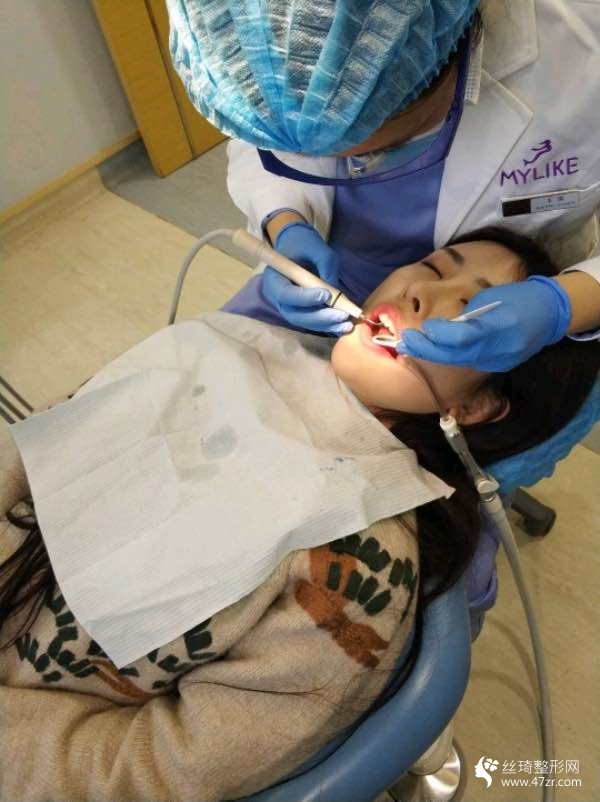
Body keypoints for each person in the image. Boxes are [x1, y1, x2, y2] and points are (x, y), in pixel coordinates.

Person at [0, 228, 598, 801]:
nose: (421, 292)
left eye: (469, 310)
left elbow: (161, 771)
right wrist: (285, 217)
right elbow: (33, 456)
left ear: (477, 407)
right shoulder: (221, 347)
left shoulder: (359, 570)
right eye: (434, 267)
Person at [167, 0, 600, 372]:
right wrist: (284, 223)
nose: (417, 292)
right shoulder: (258, 35)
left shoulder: (584, 51)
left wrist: (565, 304)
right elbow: (272, 124)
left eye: (391, 146)